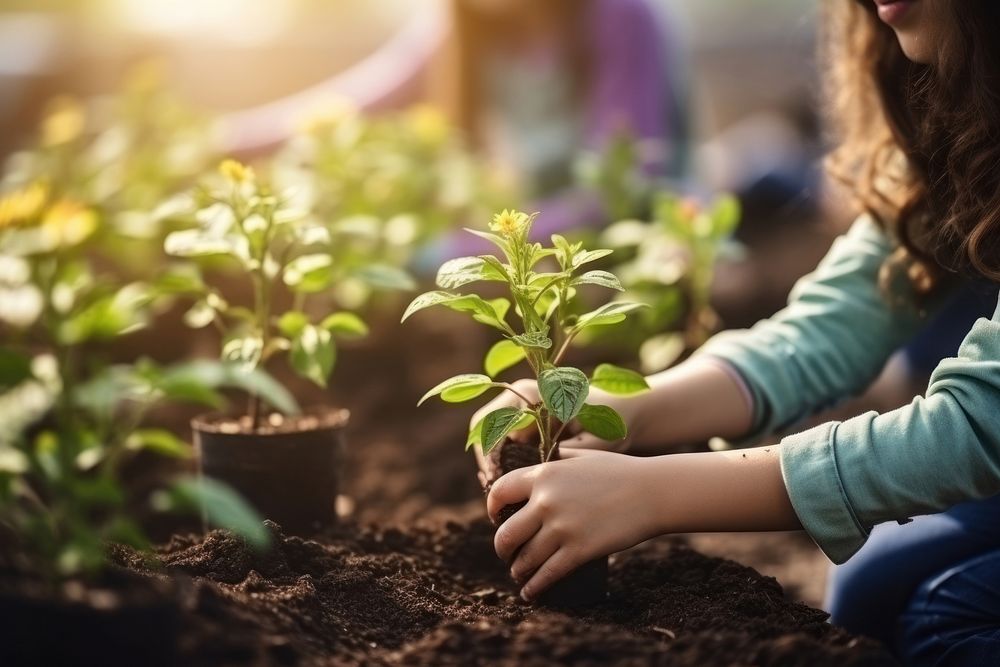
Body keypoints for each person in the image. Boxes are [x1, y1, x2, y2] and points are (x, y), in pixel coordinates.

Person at [474, 1, 1000, 663]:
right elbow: (825, 329)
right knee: (870, 590)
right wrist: (619, 408)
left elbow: (981, 422)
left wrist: (655, 493)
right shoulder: (950, 101)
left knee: (939, 621)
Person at [220, 0, 689, 240]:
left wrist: (462, 251)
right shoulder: (468, 32)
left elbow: (622, 194)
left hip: (647, 247)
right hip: (538, 249)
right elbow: (344, 107)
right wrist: (218, 140)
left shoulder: (622, 16)